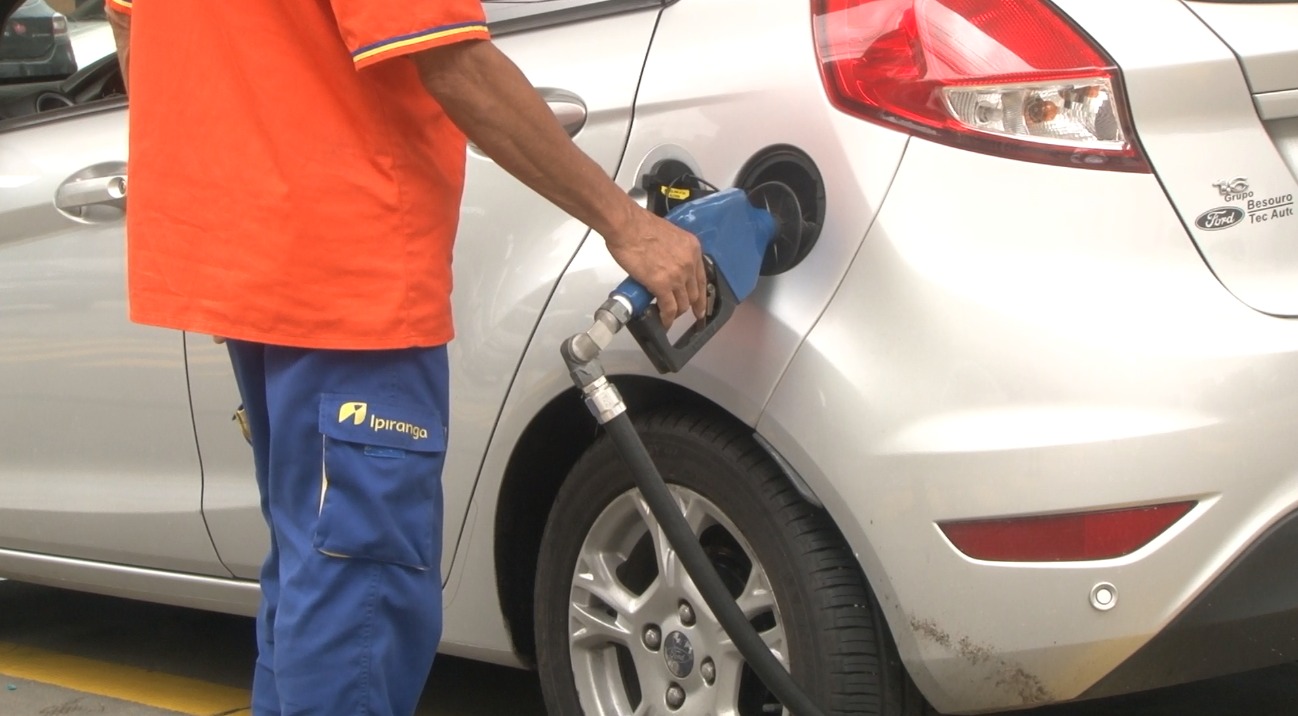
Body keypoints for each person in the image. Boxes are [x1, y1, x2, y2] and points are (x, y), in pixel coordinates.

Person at [105, 2, 706, 715]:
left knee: (312, 574)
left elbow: (132, 27)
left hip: (264, 282)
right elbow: (450, 59)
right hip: (353, 284)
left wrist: (226, 240)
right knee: (356, 594)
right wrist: (629, 225)